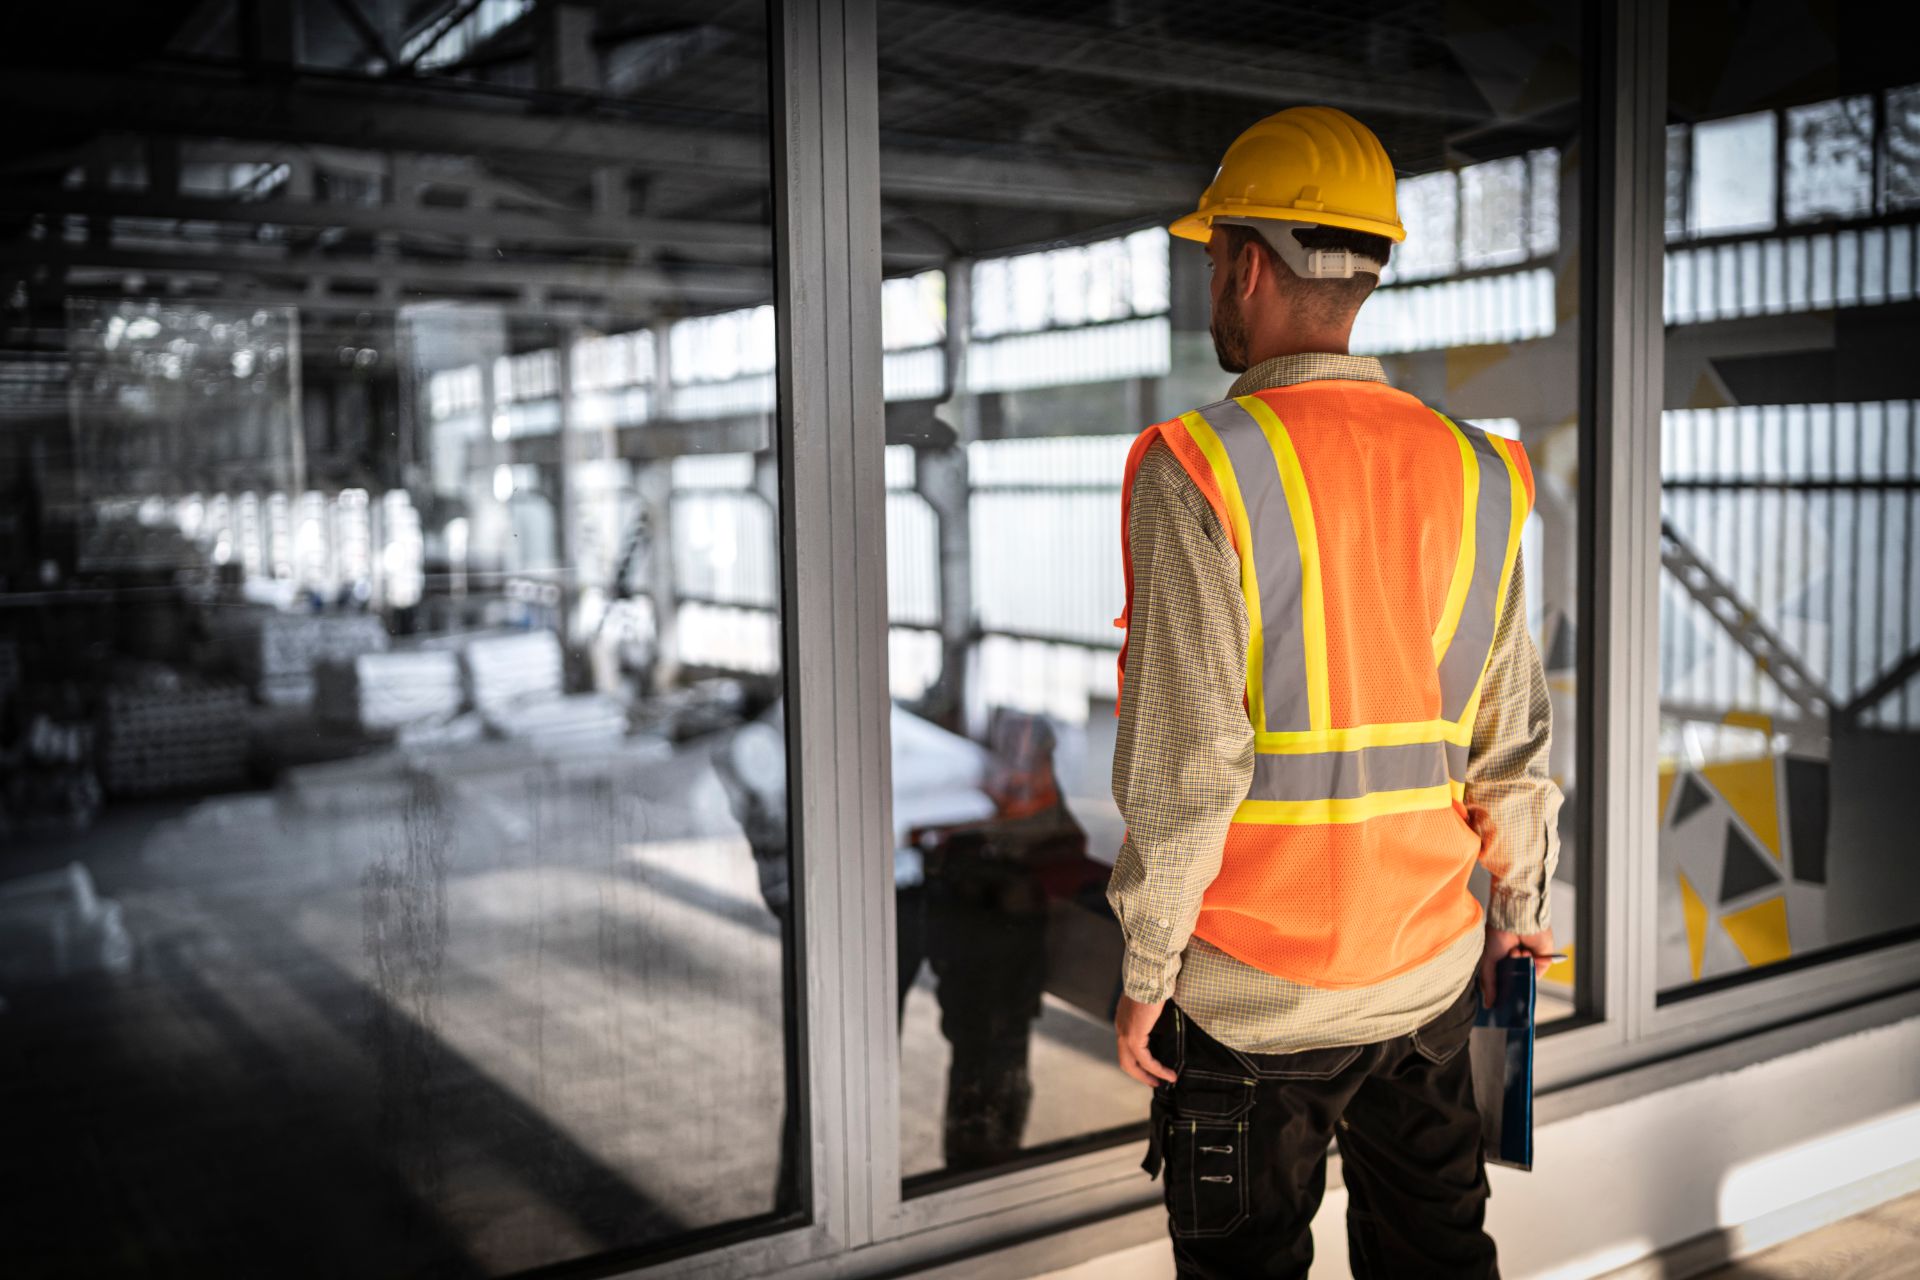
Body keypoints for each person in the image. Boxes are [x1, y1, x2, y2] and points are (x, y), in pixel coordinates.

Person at [1108, 106, 1563, 1279]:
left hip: (1255, 999)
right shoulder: (1480, 469)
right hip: (1426, 978)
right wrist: (1517, 911)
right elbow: (1509, 741)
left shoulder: (1197, 467)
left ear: (1247, 265)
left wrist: (1145, 975)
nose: (1214, 281)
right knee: (1437, 1258)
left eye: (1212, 258)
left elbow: (1190, 769)